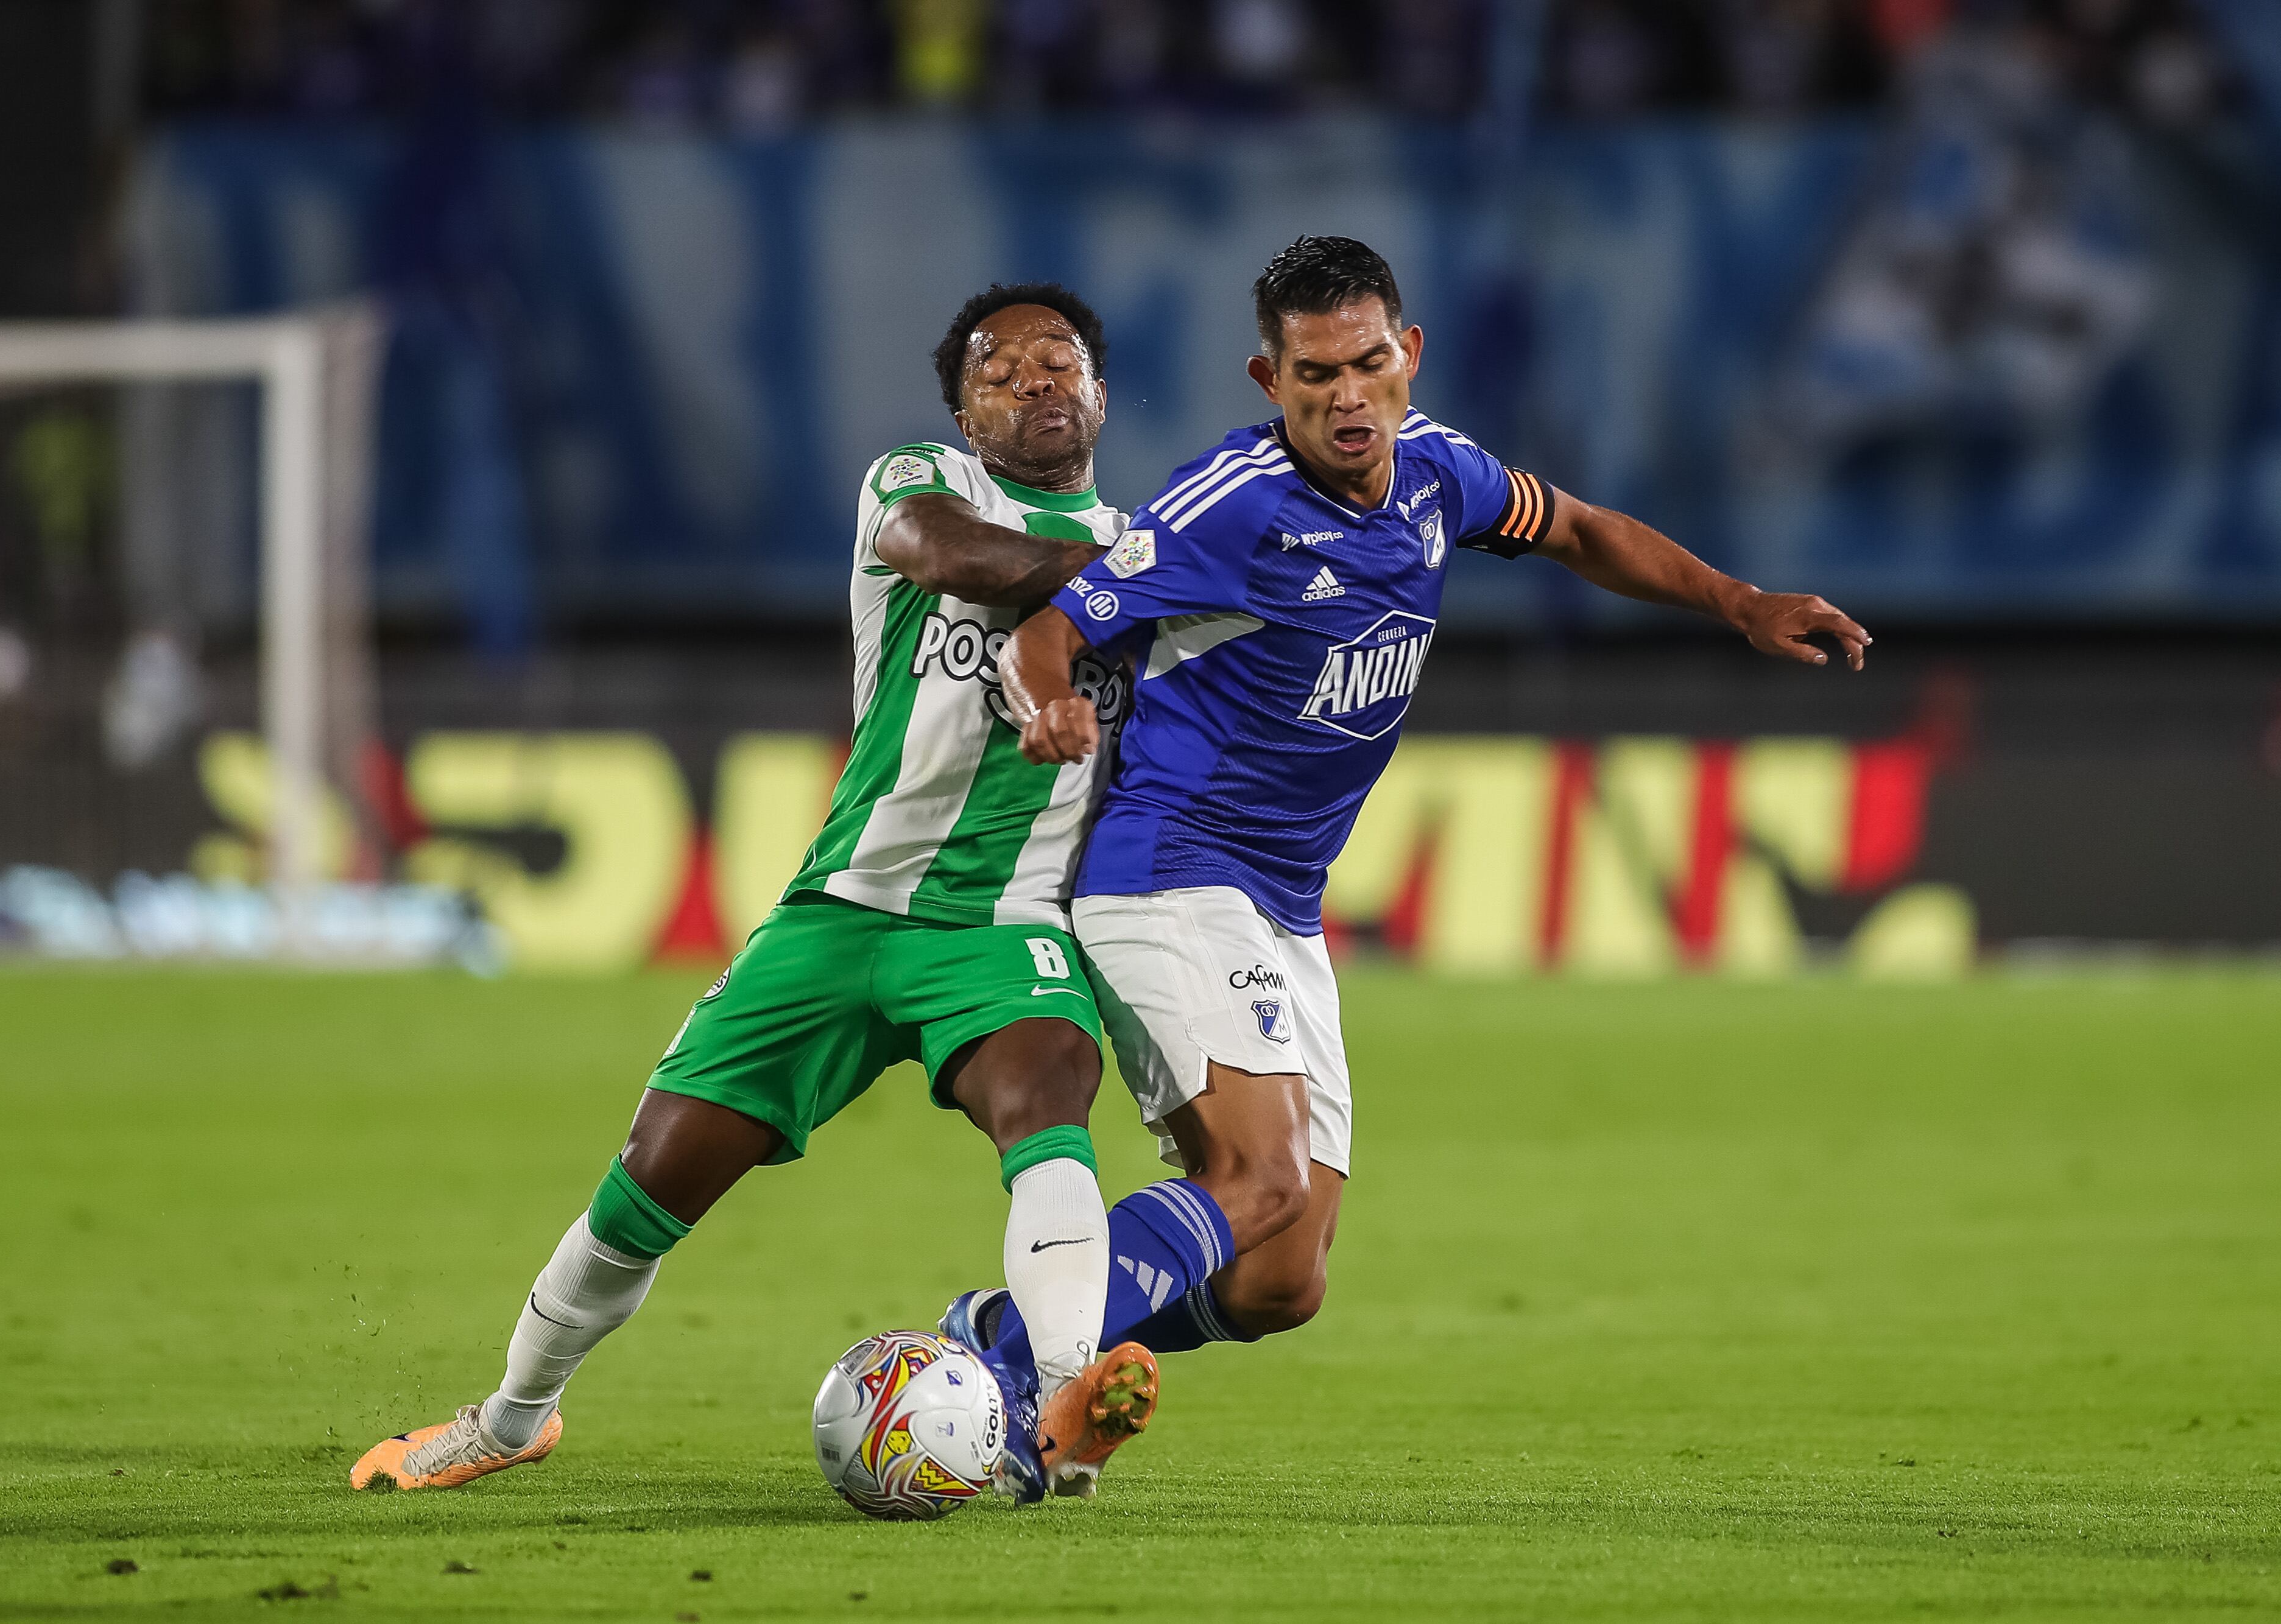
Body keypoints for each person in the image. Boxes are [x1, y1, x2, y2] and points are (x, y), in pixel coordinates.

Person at [951, 236, 1869, 1459]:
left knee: (1282, 1279)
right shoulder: (1224, 508)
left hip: (1281, 902)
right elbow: (1050, 635)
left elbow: (1579, 529)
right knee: (1262, 1176)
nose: (1346, 396)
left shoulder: (1440, 470)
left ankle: (1004, 1319)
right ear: (1266, 379)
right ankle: (1007, 1384)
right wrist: (1052, 701)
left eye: (1367, 363)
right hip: (1171, 869)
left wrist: (1738, 605)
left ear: (1407, 354)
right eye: (1314, 372)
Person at [350, 283, 1160, 1503]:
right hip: (841, 909)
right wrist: (1142, 576)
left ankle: (1060, 1402)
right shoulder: (922, 484)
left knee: (1047, 1088)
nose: (1038, 380)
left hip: (999, 923)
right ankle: (513, 1414)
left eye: (1062, 360)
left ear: (1103, 391)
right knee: (651, 1173)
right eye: (1004, 370)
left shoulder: (1151, 551)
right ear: (961, 407)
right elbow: (950, 558)